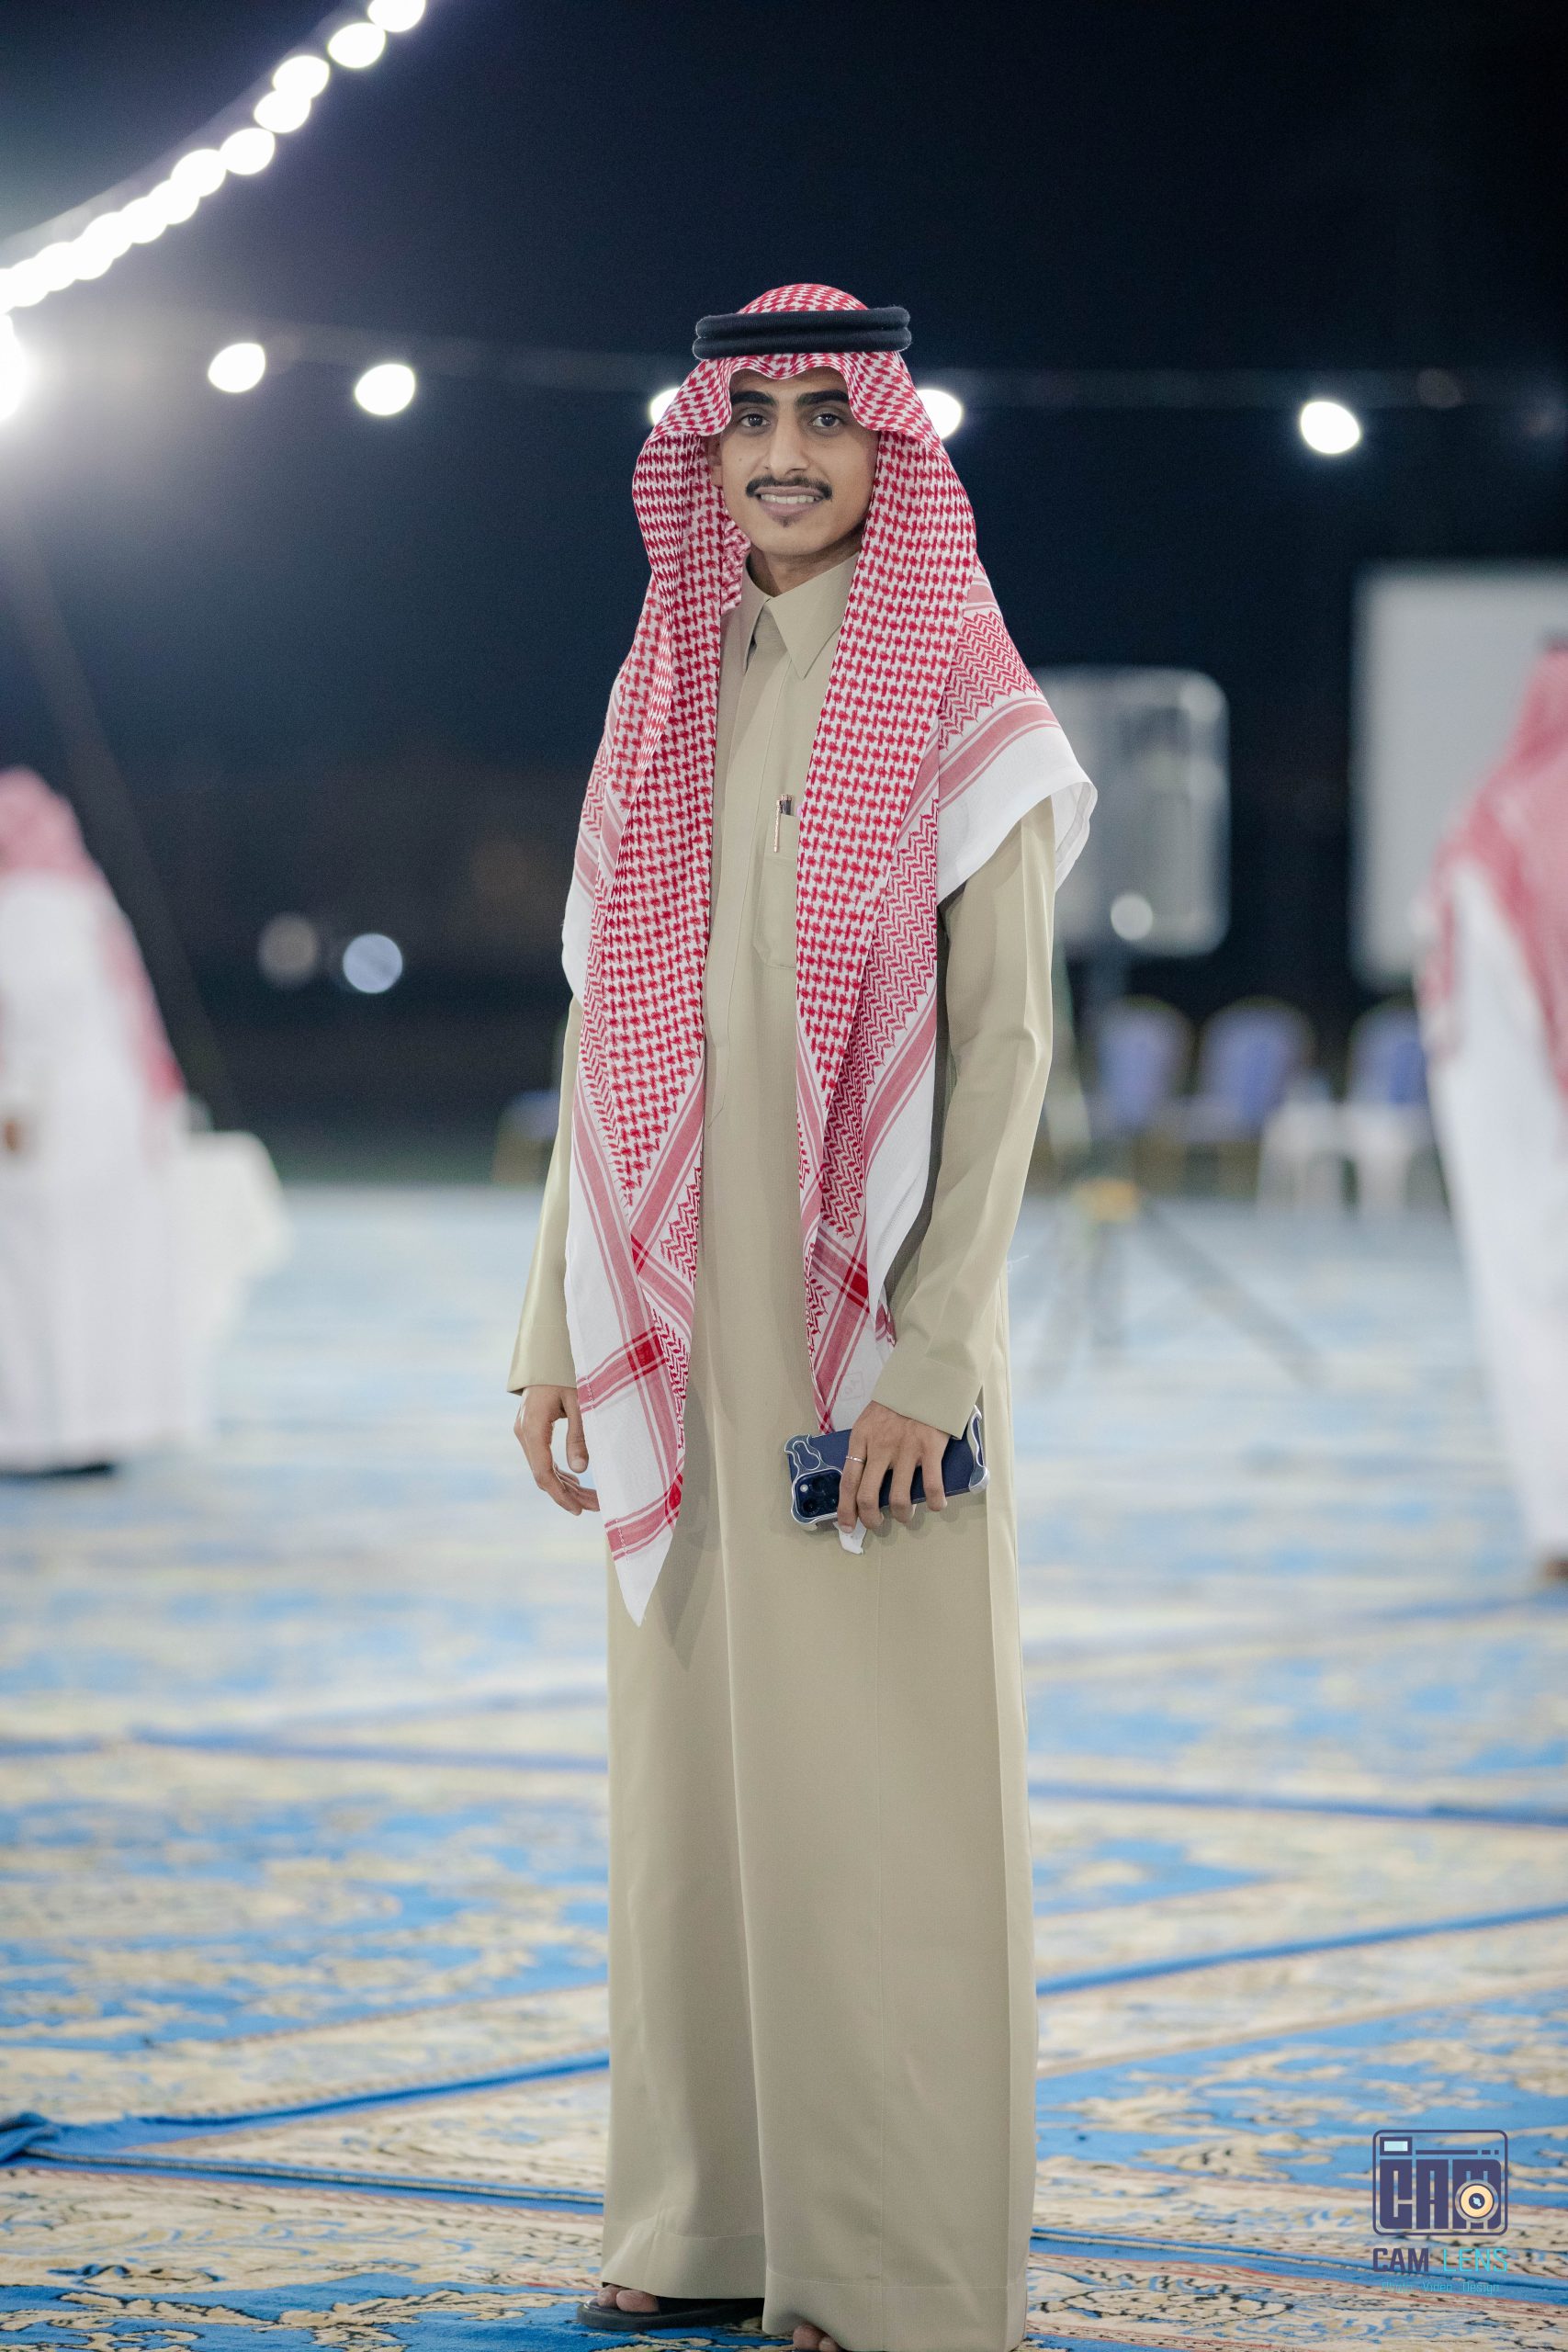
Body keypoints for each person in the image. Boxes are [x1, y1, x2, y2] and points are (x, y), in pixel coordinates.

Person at [510, 286, 1093, 2352]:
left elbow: (1004, 1052)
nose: (778, 452)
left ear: (883, 445)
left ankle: (893, 2262)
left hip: (869, 1337)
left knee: (877, 1793)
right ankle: (706, 2217)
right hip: (675, 1313)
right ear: (702, 445)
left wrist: (934, 1354)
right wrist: (549, 1322)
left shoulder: (960, 689)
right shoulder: (667, 681)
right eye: (744, 415)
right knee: (687, 1786)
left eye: (820, 418)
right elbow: (603, 1040)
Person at [0, 767, 287, 1472]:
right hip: (111, 1111)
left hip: (53, 1119)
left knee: (48, 1282)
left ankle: (50, 1434)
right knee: (100, 1278)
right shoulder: (80, 897)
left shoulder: (30, 906)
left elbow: (39, 1016)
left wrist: (15, 1102)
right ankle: (95, 1426)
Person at [1420, 645, 1568, 1580]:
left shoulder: (1494, 820)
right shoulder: (1508, 824)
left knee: (1532, 1297)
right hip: (1525, 1115)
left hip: (1522, 1122)